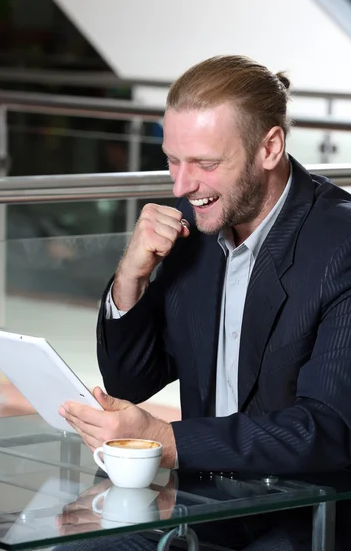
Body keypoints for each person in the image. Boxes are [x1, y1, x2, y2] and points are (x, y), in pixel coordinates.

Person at [58, 55, 351, 550]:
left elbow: (328, 429)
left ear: (270, 148)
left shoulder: (341, 244)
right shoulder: (192, 224)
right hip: (205, 506)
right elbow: (132, 380)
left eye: (206, 165)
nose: (181, 185)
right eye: (173, 160)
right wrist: (131, 276)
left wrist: (165, 440)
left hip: (308, 517)